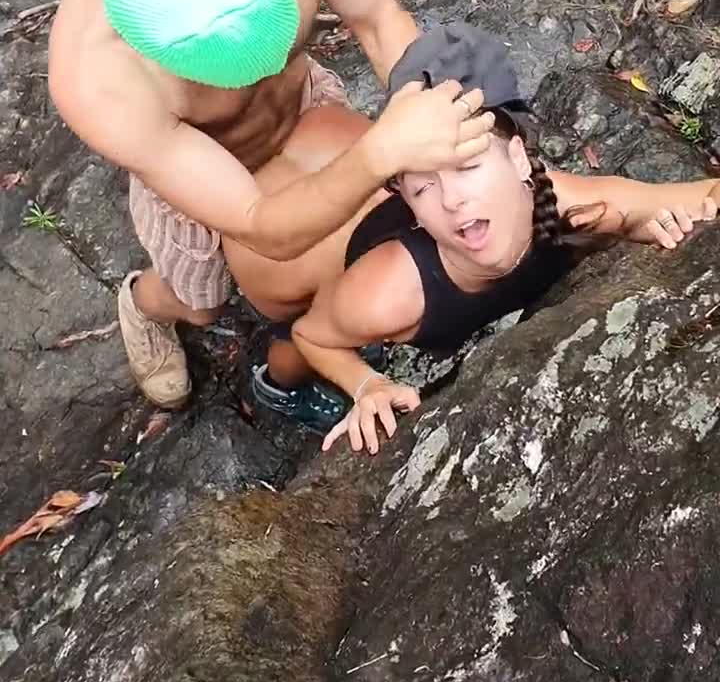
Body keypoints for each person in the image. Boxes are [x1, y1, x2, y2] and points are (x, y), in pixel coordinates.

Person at [48, 0, 494, 409]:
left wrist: (450, 122)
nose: (260, 73)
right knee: (202, 304)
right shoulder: (96, 76)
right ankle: (145, 304)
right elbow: (256, 222)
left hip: (304, 105)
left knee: (384, 215)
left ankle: (331, 312)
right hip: (201, 176)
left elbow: (380, 22)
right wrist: (381, 153)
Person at [225, 24, 720, 455]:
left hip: (328, 143)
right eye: (424, 187)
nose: (453, 200)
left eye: (468, 166)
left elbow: (699, 198)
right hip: (276, 248)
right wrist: (365, 383)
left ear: (520, 159)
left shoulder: (575, 204)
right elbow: (313, 335)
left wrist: (660, 226)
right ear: (408, 201)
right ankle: (276, 389)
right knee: (294, 347)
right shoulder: (388, 294)